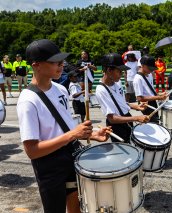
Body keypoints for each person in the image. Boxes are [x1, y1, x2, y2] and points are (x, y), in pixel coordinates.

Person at [17, 39, 111, 213]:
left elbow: (65, 128)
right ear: (36, 65)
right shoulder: (27, 101)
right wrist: (73, 135)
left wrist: (91, 134)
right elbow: (32, 150)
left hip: (70, 154)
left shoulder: (61, 89)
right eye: (55, 62)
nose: (61, 65)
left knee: (78, 207)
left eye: (62, 61)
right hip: (49, 165)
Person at [95, 53, 149, 143]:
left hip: (127, 119)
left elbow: (121, 103)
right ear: (109, 70)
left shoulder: (117, 83)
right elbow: (112, 118)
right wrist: (136, 118)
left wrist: (136, 106)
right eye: (119, 71)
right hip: (117, 126)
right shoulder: (101, 90)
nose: (121, 74)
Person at [133, 55, 167, 123]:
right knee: (152, 124)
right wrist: (158, 97)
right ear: (142, 65)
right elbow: (140, 98)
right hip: (146, 105)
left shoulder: (148, 75)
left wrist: (159, 94)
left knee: (156, 122)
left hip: (152, 102)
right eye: (150, 68)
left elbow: (150, 91)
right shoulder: (138, 78)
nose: (151, 70)